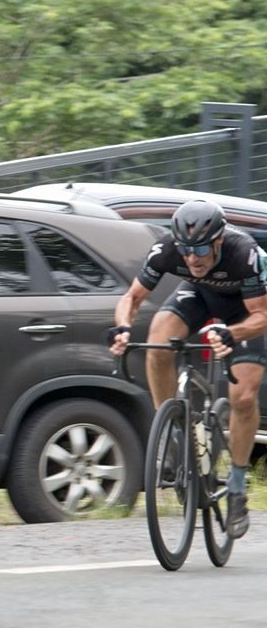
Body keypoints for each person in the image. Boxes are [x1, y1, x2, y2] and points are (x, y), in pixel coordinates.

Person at [109, 199, 267, 538]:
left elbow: (262, 316)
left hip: (245, 313)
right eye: (185, 249)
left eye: (200, 248)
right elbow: (132, 298)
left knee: (242, 398)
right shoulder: (168, 249)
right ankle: (171, 431)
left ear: (219, 240)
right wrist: (122, 327)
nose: (192, 257)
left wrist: (231, 333)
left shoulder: (246, 253)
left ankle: (237, 486)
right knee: (158, 339)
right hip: (199, 295)